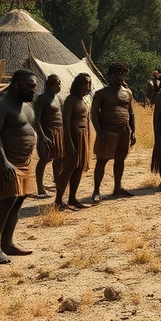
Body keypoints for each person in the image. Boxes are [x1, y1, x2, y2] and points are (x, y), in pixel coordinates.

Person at [0, 69, 39, 264]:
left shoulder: (26, 106)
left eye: (34, 86)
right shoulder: (1, 106)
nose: (33, 90)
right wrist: (3, 161)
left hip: (25, 161)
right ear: (17, 85)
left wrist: (42, 140)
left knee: (18, 202)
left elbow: (32, 127)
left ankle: (8, 243)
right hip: (8, 162)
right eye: (29, 86)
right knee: (6, 202)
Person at [91, 63, 137, 201]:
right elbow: (93, 114)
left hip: (124, 131)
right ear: (109, 76)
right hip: (107, 131)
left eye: (121, 75)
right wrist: (99, 132)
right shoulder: (101, 93)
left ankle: (117, 187)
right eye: (115, 75)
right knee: (102, 160)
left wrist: (133, 131)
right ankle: (96, 191)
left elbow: (131, 113)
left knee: (120, 160)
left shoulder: (127, 92)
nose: (118, 78)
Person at [55, 73, 92, 211]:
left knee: (79, 167)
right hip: (73, 137)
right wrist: (69, 143)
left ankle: (72, 198)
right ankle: (58, 200)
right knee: (69, 167)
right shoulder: (70, 100)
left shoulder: (84, 100)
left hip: (83, 136)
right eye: (85, 83)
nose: (87, 86)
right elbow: (65, 123)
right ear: (78, 84)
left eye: (89, 83)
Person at [33, 75, 64, 200]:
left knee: (59, 158)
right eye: (57, 84)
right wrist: (42, 135)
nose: (59, 86)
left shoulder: (58, 98)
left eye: (60, 83)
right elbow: (37, 119)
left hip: (59, 130)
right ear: (51, 85)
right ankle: (40, 187)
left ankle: (57, 181)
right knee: (45, 158)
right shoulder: (42, 98)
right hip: (48, 131)